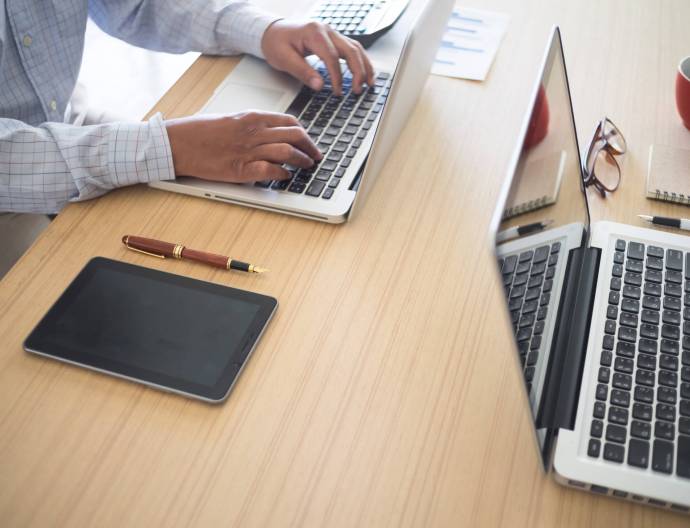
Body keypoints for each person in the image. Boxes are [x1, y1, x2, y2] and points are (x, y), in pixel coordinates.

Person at [0, 0, 374, 275]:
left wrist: (263, 31)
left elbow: (139, 6)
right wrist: (171, 146)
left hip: (65, 121)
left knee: (235, 219)